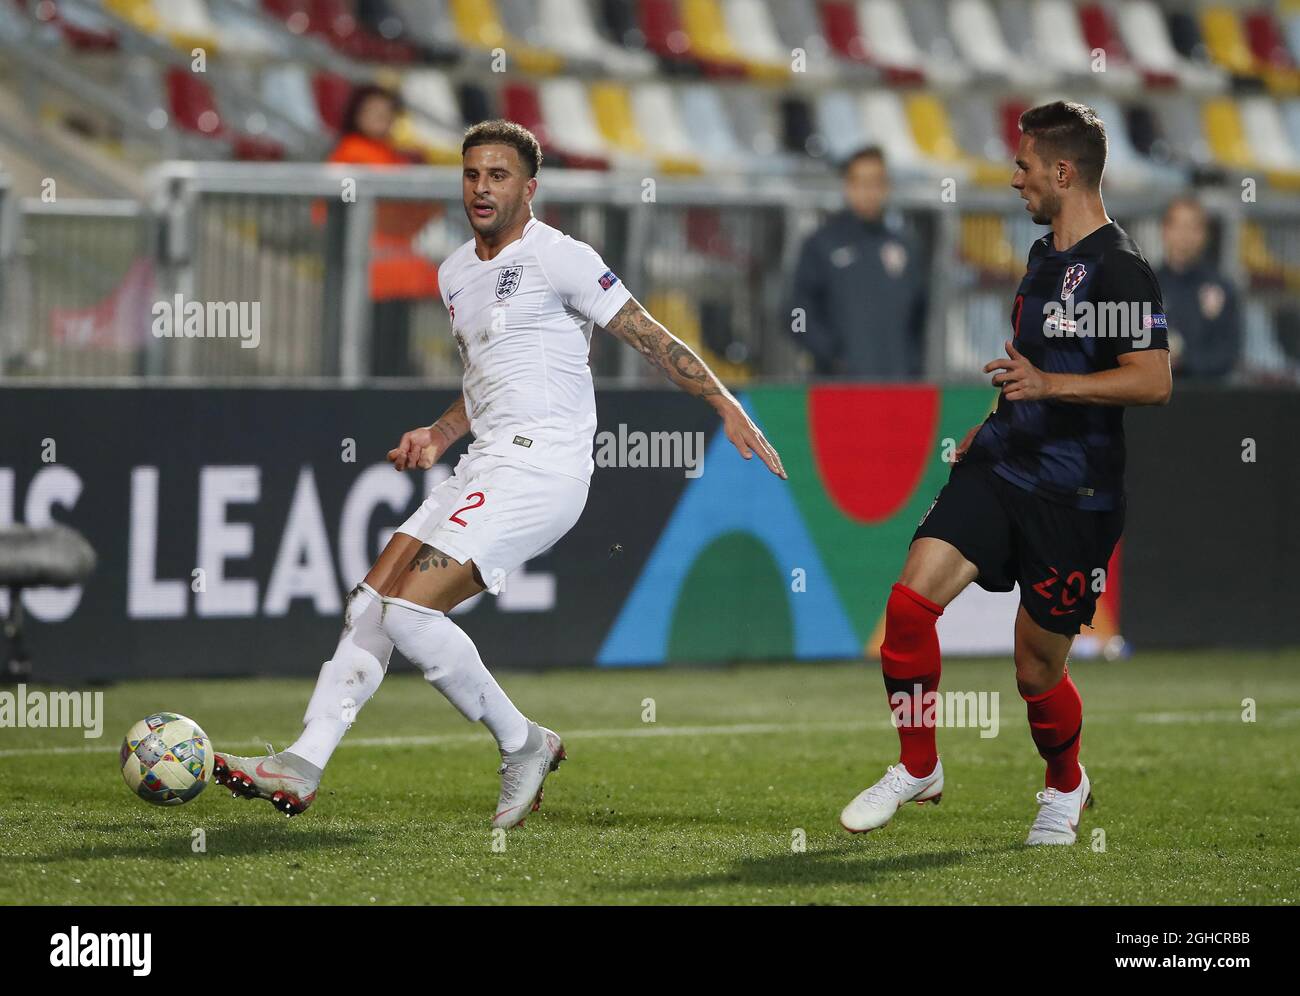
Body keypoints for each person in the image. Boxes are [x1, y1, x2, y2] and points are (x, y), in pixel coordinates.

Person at [214, 121, 786, 829]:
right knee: (370, 605)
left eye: (499, 176)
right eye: (472, 174)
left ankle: (524, 744)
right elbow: (486, 379)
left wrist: (725, 405)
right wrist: (440, 432)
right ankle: (301, 763)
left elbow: (650, 334)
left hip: (544, 463)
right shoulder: (455, 271)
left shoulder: (561, 257)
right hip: (488, 456)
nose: (482, 188)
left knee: (412, 613)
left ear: (529, 188)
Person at [839, 102, 1171, 845]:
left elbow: (1150, 380)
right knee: (908, 608)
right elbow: (1032, 371)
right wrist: (991, 427)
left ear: (1062, 172)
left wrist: (1052, 388)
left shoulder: (1119, 269)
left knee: (1035, 671)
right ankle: (918, 763)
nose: (1013, 178)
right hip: (1002, 466)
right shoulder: (1042, 258)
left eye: (1024, 167)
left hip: (1075, 494)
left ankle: (1065, 785)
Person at [324, 84, 440, 377]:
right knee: (368, 355)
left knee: (393, 355)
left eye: (386, 112)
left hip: (396, 270)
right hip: (364, 272)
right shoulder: (349, 153)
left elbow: (419, 209)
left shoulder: (395, 157)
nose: (380, 118)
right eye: (372, 111)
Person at [789, 146, 927, 378]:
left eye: (876, 182)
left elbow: (919, 315)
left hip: (898, 387)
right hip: (839, 389)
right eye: (862, 182)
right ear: (848, 186)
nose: (869, 191)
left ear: (887, 187)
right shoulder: (822, 244)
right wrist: (831, 356)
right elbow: (796, 313)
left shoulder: (905, 246)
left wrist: (911, 363)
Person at [1155, 196, 1241, 381]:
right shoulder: (1143, 286)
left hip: (1207, 397)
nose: (1184, 236)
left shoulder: (1222, 288)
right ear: (1164, 230)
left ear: (1205, 235)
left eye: (1193, 228)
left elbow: (1228, 354)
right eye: (1177, 226)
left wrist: (1184, 360)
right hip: (1154, 398)